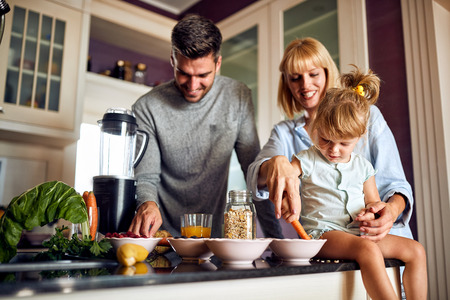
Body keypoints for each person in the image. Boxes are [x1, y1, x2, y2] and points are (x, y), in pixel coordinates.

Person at [247, 38, 414, 241]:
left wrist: (391, 211)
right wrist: (275, 163)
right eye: (295, 78)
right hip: (330, 243)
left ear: (327, 73)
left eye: (313, 74)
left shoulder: (368, 116)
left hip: (381, 236)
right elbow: (256, 176)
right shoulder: (284, 133)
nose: (305, 84)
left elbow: (397, 184)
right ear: (287, 84)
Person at [285, 67, 427, 300]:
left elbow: (374, 201)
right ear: (316, 128)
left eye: (344, 143)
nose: (333, 149)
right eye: (326, 139)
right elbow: (285, 177)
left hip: (356, 233)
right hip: (323, 234)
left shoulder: (363, 167)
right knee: (368, 249)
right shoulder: (307, 159)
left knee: (416, 250)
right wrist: (283, 180)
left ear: (360, 138)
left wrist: (372, 213)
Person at [127, 14, 262, 238]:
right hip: (161, 240)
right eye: (184, 73)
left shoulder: (238, 96)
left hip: (216, 241)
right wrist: (148, 203)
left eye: (203, 75)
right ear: (173, 60)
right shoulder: (146, 107)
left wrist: (277, 245)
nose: (192, 85)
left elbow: (254, 172)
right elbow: (147, 178)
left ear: (218, 64)